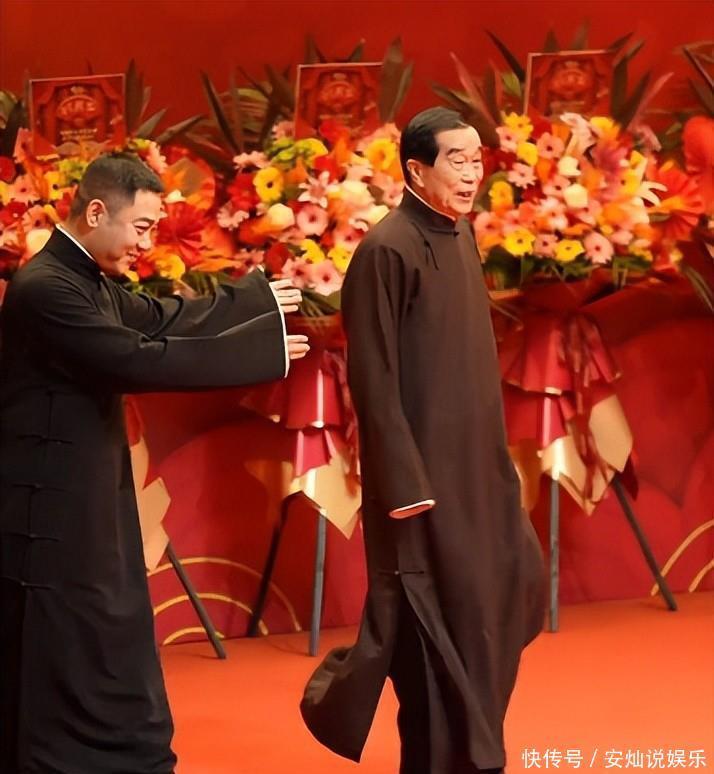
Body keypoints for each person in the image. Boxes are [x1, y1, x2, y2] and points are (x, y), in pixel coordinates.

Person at [0, 152, 309, 773]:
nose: (147, 243)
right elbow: (137, 358)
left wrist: (252, 301)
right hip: (45, 506)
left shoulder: (85, 279)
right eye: (141, 227)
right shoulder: (44, 289)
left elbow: (161, 316)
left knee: (105, 626)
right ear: (96, 212)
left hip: (85, 491)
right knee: (64, 638)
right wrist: (262, 353)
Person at [301, 107, 545, 774]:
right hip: (421, 489)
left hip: (477, 476)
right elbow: (373, 376)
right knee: (435, 634)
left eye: (477, 160)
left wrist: (498, 469)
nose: (472, 174)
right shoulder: (387, 249)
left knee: (503, 602)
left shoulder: (461, 234)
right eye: (456, 161)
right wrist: (405, 485)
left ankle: (476, 753)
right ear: (416, 169)